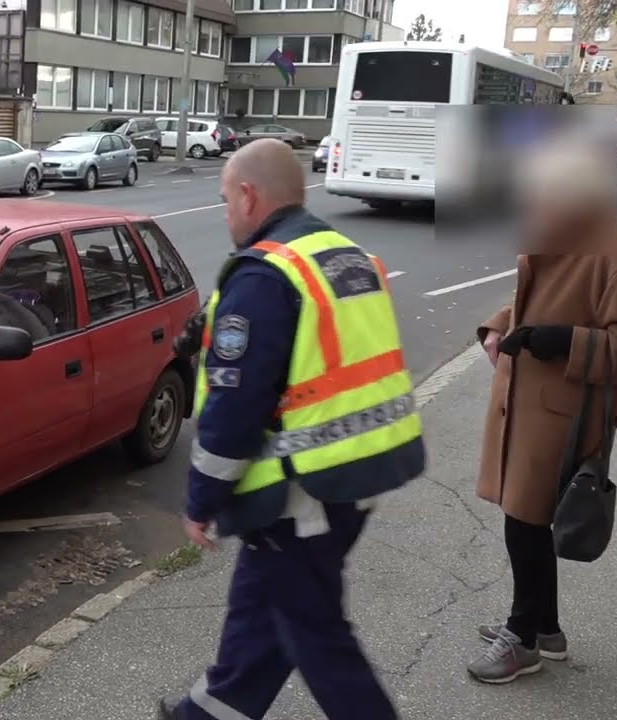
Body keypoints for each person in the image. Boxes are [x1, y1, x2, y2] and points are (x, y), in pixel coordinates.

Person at [160, 139, 426, 720]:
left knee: (317, 636)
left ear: (249, 196)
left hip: (302, 489)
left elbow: (234, 411)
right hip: (358, 470)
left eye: (226, 199)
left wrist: (200, 502)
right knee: (263, 618)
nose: (225, 212)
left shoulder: (264, 276)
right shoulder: (342, 254)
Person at [466, 134, 617, 683]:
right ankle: (544, 629)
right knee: (522, 520)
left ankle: (523, 637)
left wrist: (565, 343)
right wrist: (501, 327)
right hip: (528, 407)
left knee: (526, 524)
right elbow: (535, 305)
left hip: (565, 416)